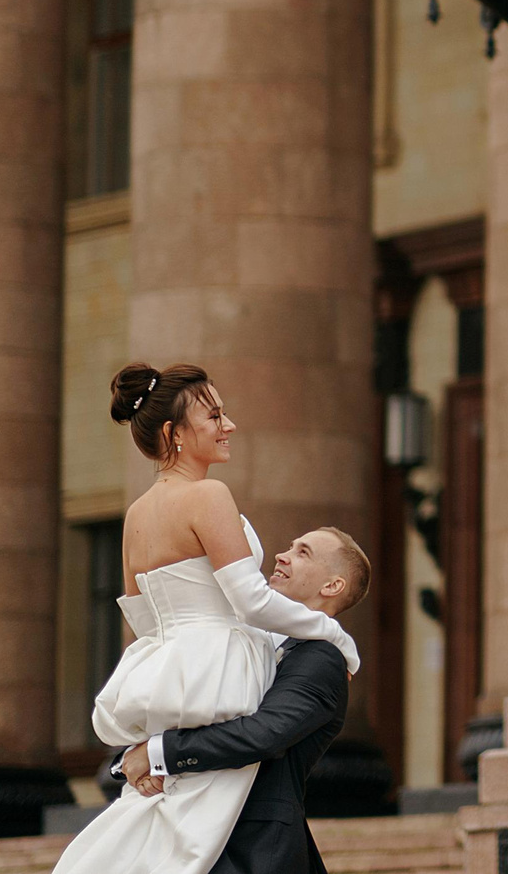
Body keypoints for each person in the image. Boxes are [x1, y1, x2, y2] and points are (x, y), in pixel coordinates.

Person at [51, 364, 361, 874]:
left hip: (176, 667)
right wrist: (335, 634)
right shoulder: (208, 495)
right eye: (214, 415)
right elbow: (252, 602)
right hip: (218, 665)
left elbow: (143, 621)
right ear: (174, 435)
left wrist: (150, 736)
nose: (229, 424)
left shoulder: (136, 514)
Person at [113, 527, 368, 874]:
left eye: (303, 552)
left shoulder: (322, 659)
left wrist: (160, 753)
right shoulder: (249, 641)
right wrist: (135, 758)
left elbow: (264, 734)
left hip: (252, 850)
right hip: (182, 831)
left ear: (332, 586)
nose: (282, 555)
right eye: (289, 545)